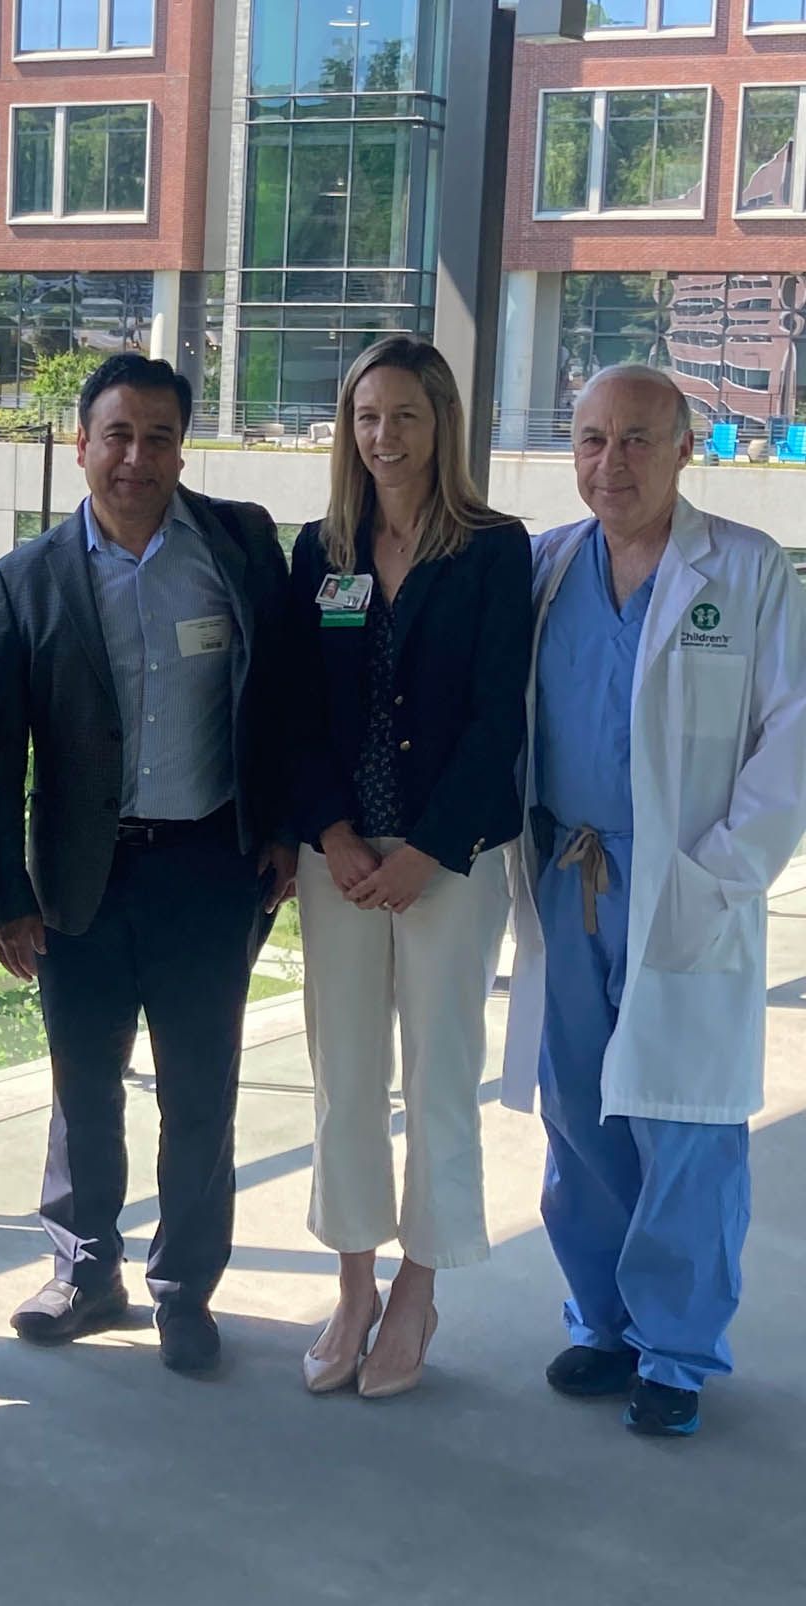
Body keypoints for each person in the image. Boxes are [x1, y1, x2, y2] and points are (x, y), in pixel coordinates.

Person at [0, 353, 298, 1376]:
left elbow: (285, 695)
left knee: (201, 1086)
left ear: (181, 447)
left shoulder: (241, 544)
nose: (136, 457)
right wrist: (2, 897)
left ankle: (183, 1287)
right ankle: (84, 1269)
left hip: (209, 863)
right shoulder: (27, 578)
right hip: (79, 877)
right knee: (84, 1086)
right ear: (82, 443)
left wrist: (283, 828)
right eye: (117, 435)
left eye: (158, 437)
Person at [503, 363, 806, 1439]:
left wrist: (723, 871)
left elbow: (793, 737)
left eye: (637, 439)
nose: (610, 462)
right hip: (567, 869)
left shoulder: (747, 568)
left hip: (685, 878)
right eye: (590, 439)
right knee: (579, 1109)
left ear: (688, 447)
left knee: (686, 1118)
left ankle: (676, 1348)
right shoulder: (542, 567)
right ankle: (603, 1321)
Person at [287, 336, 531, 1399]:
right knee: (344, 1077)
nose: (383, 436)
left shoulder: (491, 549)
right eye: (366, 416)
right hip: (339, 859)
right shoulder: (322, 550)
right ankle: (353, 1282)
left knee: (438, 1074)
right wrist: (335, 833)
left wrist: (430, 846)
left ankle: (420, 1284)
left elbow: (496, 716)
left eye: (405, 416)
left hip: (450, 856)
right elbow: (292, 709)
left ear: (444, 425)